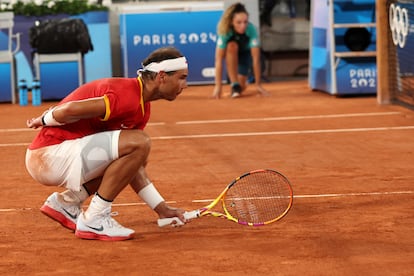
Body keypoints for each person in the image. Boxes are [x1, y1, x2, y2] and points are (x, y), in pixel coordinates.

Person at [25, 46, 189, 241]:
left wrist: (162, 209)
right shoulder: (126, 94)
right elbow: (69, 110)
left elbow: (132, 168)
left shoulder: (141, 107)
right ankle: (95, 219)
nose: (185, 85)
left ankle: (67, 203)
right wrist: (43, 120)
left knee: (136, 155)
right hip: (48, 155)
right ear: (162, 76)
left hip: (58, 155)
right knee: (140, 143)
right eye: (182, 77)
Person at [212, 2, 269, 99]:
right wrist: (218, 86)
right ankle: (234, 84)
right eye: (239, 22)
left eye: (245, 22)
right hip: (232, 54)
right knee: (231, 46)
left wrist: (258, 84)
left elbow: (255, 59)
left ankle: (239, 84)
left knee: (241, 88)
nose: (243, 25)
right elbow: (218, 60)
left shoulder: (251, 30)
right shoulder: (225, 32)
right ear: (231, 22)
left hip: (245, 54)